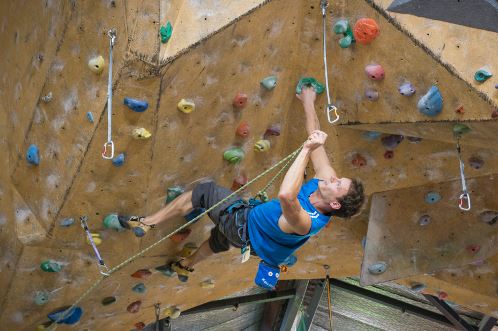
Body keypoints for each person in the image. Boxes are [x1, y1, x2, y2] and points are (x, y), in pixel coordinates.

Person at [119, 86, 365, 288]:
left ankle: (147, 223)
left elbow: (286, 195)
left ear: (334, 203)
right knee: (219, 239)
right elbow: (315, 135)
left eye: (338, 184)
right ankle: (186, 265)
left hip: (242, 225)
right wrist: (308, 102)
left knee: (204, 192)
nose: (333, 178)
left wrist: (305, 150)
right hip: (247, 235)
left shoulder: (306, 223)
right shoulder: (324, 181)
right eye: (338, 177)